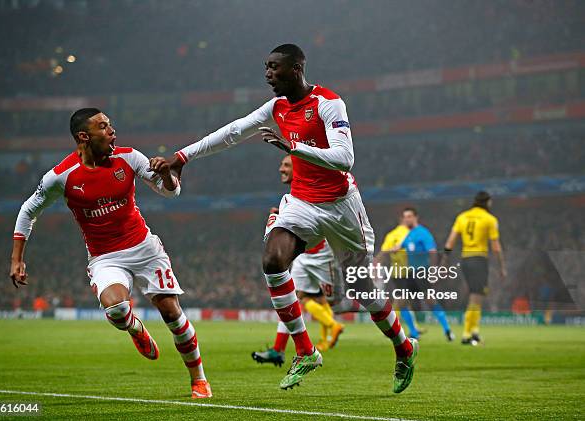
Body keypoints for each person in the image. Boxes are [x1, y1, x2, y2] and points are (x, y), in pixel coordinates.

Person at [153, 44, 417, 392]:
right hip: (302, 202)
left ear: (296, 68)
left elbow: (345, 158)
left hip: (341, 205)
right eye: (266, 67)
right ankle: (305, 351)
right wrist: (181, 157)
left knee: (361, 290)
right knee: (273, 260)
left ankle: (403, 346)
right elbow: (234, 131)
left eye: (275, 67)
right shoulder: (275, 108)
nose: (268, 74)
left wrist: (295, 149)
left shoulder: (328, 103)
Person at [10, 108, 212, 399]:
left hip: (143, 248)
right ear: (84, 136)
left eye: (110, 125)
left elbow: (171, 193)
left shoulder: (129, 157)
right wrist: (17, 259)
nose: (112, 131)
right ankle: (135, 328)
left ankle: (199, 380)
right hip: (105, 257)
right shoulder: (61, 176)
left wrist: (167, 175)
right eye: (103, 127)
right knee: (116, 310)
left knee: (171, 312)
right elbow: (28, 210)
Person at [252, 156, 345, 368]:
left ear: (300, 169)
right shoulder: (290, 198)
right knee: (292, 298)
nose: (280, 169)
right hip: (304, 257)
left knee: (330, 302)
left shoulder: (312, 194)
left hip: (323, 256)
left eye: (286, 165)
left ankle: (332, 325)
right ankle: (279, 349)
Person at [443, 191, 506, 345]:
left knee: (477, 294)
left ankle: (475, 330)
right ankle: (466, 333)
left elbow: (450, 242)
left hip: (465, 259)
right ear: (488, 202)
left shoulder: (462, 217)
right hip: (479, 258)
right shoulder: (490, 219)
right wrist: (501, 266)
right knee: (476, 296)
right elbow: (496, 246)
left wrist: (444, 260)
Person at [391, 208, 455, 341]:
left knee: (431, 302)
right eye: (405, 217)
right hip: (410, 274)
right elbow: (399, 247)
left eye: (409, 216)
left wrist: (432, 271)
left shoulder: (423, 233)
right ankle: (413, 332)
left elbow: (432, 252)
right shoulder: (409, 235)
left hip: (422, 273)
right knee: (400, 303)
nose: (407, 219)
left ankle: (447, 330)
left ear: (416, 217)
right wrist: (392, 249)